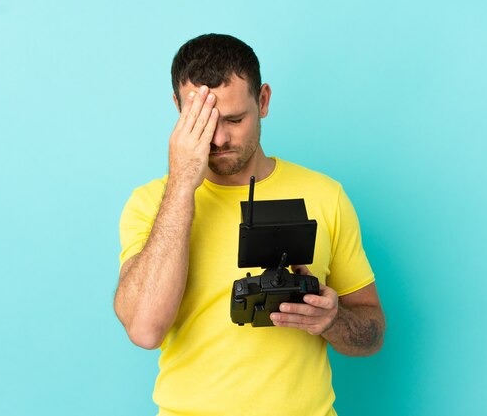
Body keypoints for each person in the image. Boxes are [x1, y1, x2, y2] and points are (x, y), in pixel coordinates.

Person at [114, 33, 385, 416]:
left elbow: (371, 334)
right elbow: (144, 330)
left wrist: (332, 319)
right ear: (178, 108)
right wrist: (181, 184)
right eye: (203, 122)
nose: (219, 138)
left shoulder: (325, 195)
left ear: (263, 101)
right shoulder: (151, 204)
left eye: (234, 119)